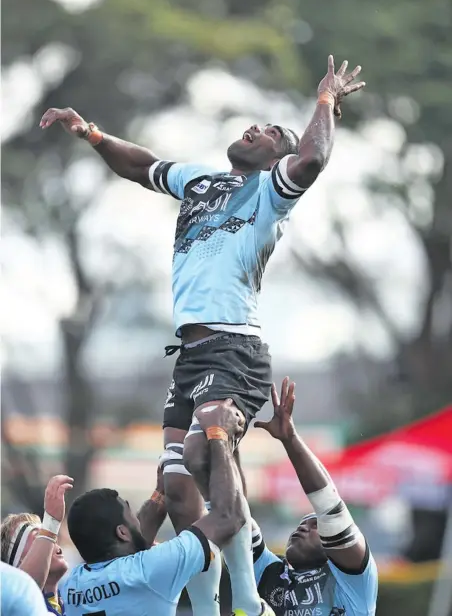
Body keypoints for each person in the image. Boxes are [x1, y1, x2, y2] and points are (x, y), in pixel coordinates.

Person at [40, 55, 365, 616]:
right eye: (256, 124)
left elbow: (312, 156)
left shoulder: (269, 193)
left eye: (271, 132)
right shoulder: (199, 179)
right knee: (179, 488)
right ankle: (212, 609)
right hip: (190, 354)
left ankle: (246, 602)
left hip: (233, 346)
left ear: (275, 158)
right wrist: (91, 133)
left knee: (202, 450)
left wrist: (324, 102)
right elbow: (141, 167)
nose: (256, 128)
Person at [59, 400, 249, 615]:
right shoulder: (150, 570)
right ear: (121, 532)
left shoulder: (71, 586)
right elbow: (230, 517)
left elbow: (136, 540)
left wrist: (161, 492)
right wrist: (218, 434)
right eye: (130, 513)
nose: (137, 520)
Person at [249, 378, 379, 616]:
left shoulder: (354, 580)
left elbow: (330, 508)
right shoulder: (270, 572)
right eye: (301, 523)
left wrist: (290, 439)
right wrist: (223, 436)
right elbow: (233, 515)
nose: (301, 528)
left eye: (314, 526)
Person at [1, 475, 73, 614]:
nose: (52, 541)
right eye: (39, 537)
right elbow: (21, 587)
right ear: (20, 561)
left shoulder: (76, 597)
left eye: (49, 537)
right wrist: (51, 521)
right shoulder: (12, 604)